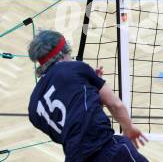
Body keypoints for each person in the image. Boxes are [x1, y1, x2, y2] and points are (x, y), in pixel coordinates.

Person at [27, 30, 148, 162]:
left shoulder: (33, 107)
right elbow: (115, 105)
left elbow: (75, 127)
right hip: (109, 151)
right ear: (62, 54)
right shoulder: (74, 68)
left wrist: (91, 92)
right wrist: (128, 128)